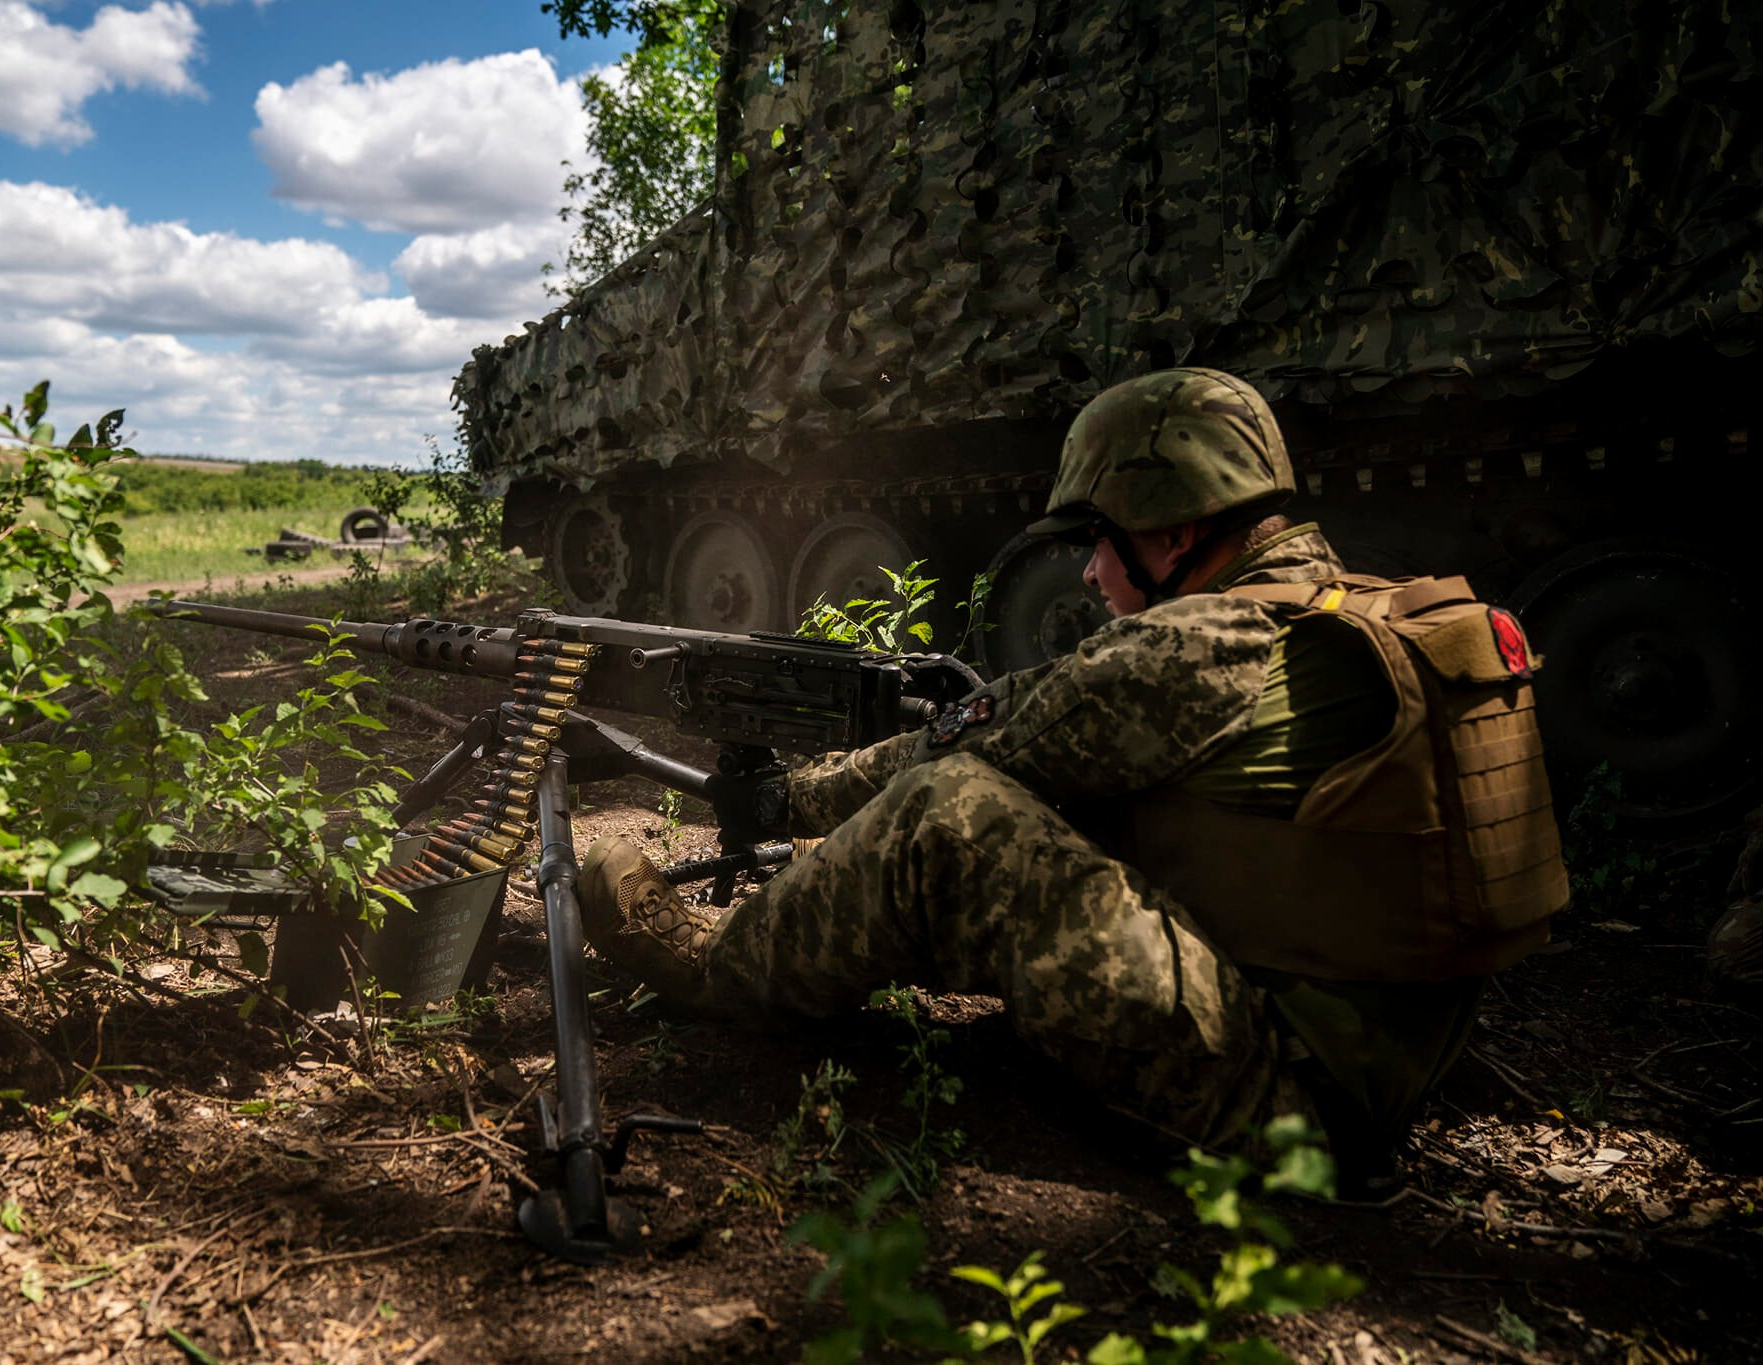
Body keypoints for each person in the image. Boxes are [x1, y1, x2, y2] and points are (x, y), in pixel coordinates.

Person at [577, 368, 1571, 1194]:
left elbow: (963, 754)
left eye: (1101, 540)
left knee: (946, 814)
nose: (1091, 576)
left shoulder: (1202, 645)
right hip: (1381, 1062)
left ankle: (719, 972)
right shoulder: (1362, 606)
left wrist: (784, 801)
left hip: (1291, 1108)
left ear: (1172, 535)